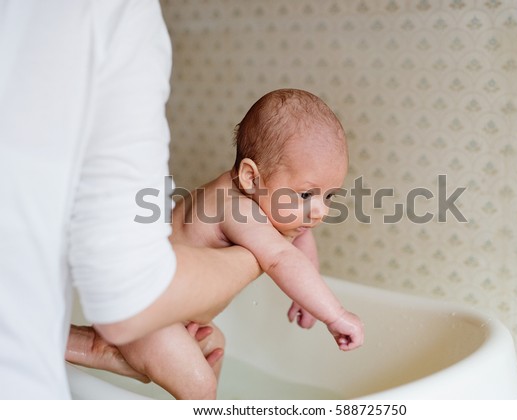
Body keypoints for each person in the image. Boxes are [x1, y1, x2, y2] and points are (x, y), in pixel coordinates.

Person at [0, 0, 260, 399]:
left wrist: (83, 343)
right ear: (250, 174)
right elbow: (131, 301)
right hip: (23, 389)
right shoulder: (112, 11)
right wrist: (262, 256)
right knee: (200, 385)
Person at [116, 89, 364, 399]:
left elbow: (301, 239)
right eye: (306, 195)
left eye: (329, 196)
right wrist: (335, 315)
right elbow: (282, 258)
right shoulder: (234, 206)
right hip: (147, 313)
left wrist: (307, 295)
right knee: (200, 386)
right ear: (250, 177)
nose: (320, 211)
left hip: (173, 317)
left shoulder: (268, 201)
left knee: (215, 349)